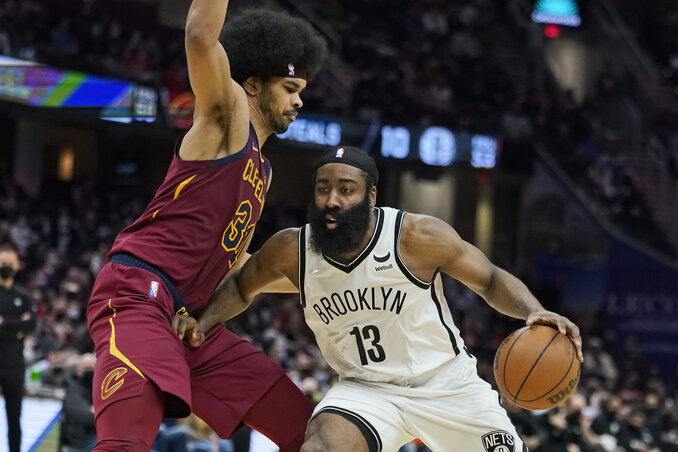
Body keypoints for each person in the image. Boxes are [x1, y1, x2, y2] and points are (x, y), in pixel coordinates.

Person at [175, 146, 585, 452]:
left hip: (446, 384)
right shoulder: (291, 250)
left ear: (371, 196)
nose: (332, 200)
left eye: (346, 190)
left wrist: (535, 311)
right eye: (323, 189)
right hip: (365, 390)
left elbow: (491, 279)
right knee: (318, 446)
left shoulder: (417, 237)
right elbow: (241, 285)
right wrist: (204, 322)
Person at [85, 1, 327, 450]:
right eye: (290, 87)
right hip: (139, 296)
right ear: (252, 85)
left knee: (315, 434)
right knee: (125, 443)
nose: (299, 100)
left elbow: (239, 267)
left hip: (190, 321)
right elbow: (199, 35)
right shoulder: (228, 115)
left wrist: (326, 277)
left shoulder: (264, 170)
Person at [0, 244, 37, 452]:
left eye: (9, 264)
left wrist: (3, 321)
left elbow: (30, 325)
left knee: (15, 420)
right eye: (3, 263)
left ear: (17, 266)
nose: (6, 267)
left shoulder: (23, 296)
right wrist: (16, 328)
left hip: (15, 366)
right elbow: (23, 326)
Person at [61, 353, 97, 452]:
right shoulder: (73, 390)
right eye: (86, 368)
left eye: (91, 368)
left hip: (96, 436)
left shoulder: (100, 389)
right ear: (78, 370)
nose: (89, 372)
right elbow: (86, 417)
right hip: (81, 440)